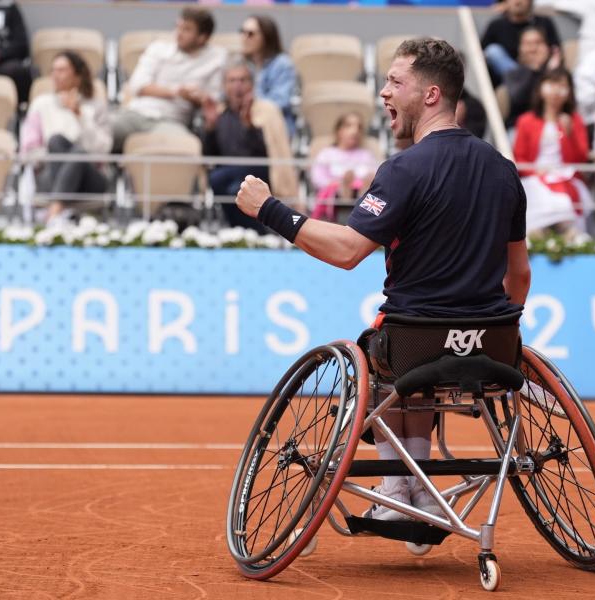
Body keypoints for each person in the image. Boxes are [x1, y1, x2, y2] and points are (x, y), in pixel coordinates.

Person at [235, 38, 530, 520]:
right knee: (413, 348)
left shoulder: (403, 170)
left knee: (384, 353)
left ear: (431, 95)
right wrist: (492, 328)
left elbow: (349, 251)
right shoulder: (504, 171)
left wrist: (270, 210)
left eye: (395, 82)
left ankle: (396, 491)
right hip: (493, 345)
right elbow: (519, 274)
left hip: (413, 343)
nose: (383, 93)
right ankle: (416, 491)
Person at [111, 7, 226, 153]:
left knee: (184, 150)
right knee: (98, 134)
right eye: (178, 27)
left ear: (202, 37)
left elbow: (211, 101)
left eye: (186, 29)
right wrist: (177, 92)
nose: (178, 34)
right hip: (135, 114)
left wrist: (196, 97)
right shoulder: (158, 49)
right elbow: (137, 86)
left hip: (171, 121)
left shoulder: (217, 58)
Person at [20, 51, 112, 223]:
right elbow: (28, 151)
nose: (55, 75)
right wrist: (59, 161)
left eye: (61, 70)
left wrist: (79, 115)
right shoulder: (41, 104)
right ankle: (58, 211)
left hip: (90, 180)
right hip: (49, 175)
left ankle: (54, 213)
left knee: (79, 152)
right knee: (56, 140)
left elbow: (103, 150)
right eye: (53, 70)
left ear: (77, 75)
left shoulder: (96, 106)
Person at [513, 68, 591, 235]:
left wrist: (569, 134)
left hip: (566, 178)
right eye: (551, 84)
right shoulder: (526, 121)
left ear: (569, 92)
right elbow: (519, 157)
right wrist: (535, 171)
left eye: (562, 86)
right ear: (541, 88)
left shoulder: (575, 120)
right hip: (535, 178)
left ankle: (569, 234)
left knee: (564, 202)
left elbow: (581, 158)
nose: (556, 91)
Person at [202, 60, 269, 232]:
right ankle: (250, 232)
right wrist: (210, 128)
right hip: (229, 176)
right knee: (230, 187)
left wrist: (249, 126)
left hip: (258, 172)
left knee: (220, 180)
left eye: (243, 80)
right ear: (224, 86)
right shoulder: (220, 115)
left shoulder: (265, 111)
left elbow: (269, 154)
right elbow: (209, 156)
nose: (237, 86)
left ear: (252, 84)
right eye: (232, 81)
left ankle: (243, 232)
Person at [309, 111, 378, 222]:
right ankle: (347, 204)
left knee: (367, 184)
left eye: (359, 127)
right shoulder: (327, 154)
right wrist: (339, 184)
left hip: (362, 195)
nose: (355, 131)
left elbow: (375, 177)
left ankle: (361, 213)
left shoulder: (366, 155)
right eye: (349, 126)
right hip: (335, 198)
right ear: (339, 130)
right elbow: (317, 178)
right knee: (345, 186)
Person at [240, 14, 297, 136]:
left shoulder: (282, 64)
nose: (244, 38)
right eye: (242, 32)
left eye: (250, 34)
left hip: (275, 125)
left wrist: (252, 103)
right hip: (245, 123)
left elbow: (280, 101)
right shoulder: (241, 64)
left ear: (266, 36)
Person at [481, 0, 560, 84]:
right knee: (493, 51)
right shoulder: (496, 25)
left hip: (542, 72)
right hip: (510, 78)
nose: (517, 1)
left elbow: (555, 50)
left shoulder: (544, 23)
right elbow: (480, 53)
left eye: (537, 42)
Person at [499, 25, 562, 126]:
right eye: (528, 44)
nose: (533, 48)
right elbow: (518, 100)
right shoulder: (512, 74)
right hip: (519, 127)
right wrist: (535, 70)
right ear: (520, 48)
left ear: (547, 47)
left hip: (553, 124)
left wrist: (552, 73)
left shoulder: (557, 72)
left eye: (538, 43)